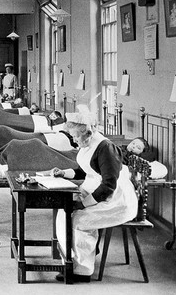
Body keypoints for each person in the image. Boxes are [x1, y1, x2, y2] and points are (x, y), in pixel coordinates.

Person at [50, 108, 138, 283]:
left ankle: (82, 270)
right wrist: (64, 173)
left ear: (87, 132)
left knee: (77, 221)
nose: (74, 141)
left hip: (114, 200)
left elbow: (108, 185)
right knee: (63, 213)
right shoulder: (88, 143)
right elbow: (86, 170)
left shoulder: (106, 148)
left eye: (75, 137)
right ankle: (73, 259)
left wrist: (83, 204)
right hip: (95, 191)